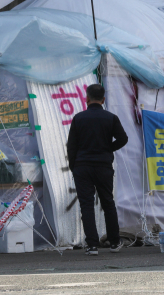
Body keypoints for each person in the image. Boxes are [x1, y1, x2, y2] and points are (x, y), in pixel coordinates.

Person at [67, 84, 128, 256]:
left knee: (86, 205)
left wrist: (74, 166)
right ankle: (114, 242)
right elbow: (123, 139)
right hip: (103, 166)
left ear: (86, 98)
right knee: (108, 203)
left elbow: (71, 147)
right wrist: (108, 148)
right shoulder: (110, 118)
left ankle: (92, 245)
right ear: (103, 99)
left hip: (82, 166)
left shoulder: (78, 118)